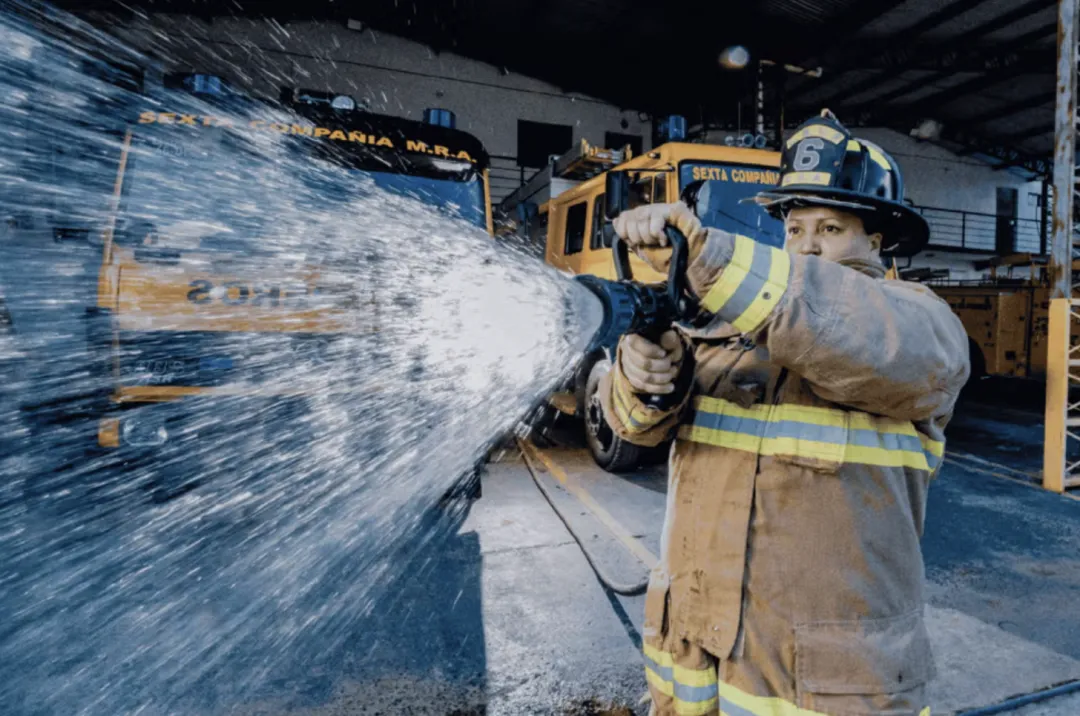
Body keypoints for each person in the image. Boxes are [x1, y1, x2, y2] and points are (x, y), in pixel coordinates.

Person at [600, 110, 969, 716]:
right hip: (696, 657)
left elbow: (834, 323)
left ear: (876, 242)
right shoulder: (727, 329)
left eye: (831, 227)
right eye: (795, 228)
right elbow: (635, 428)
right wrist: (648, 379)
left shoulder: (919, 324)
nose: (808, 244)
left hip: (825, 684)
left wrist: (706, 256)